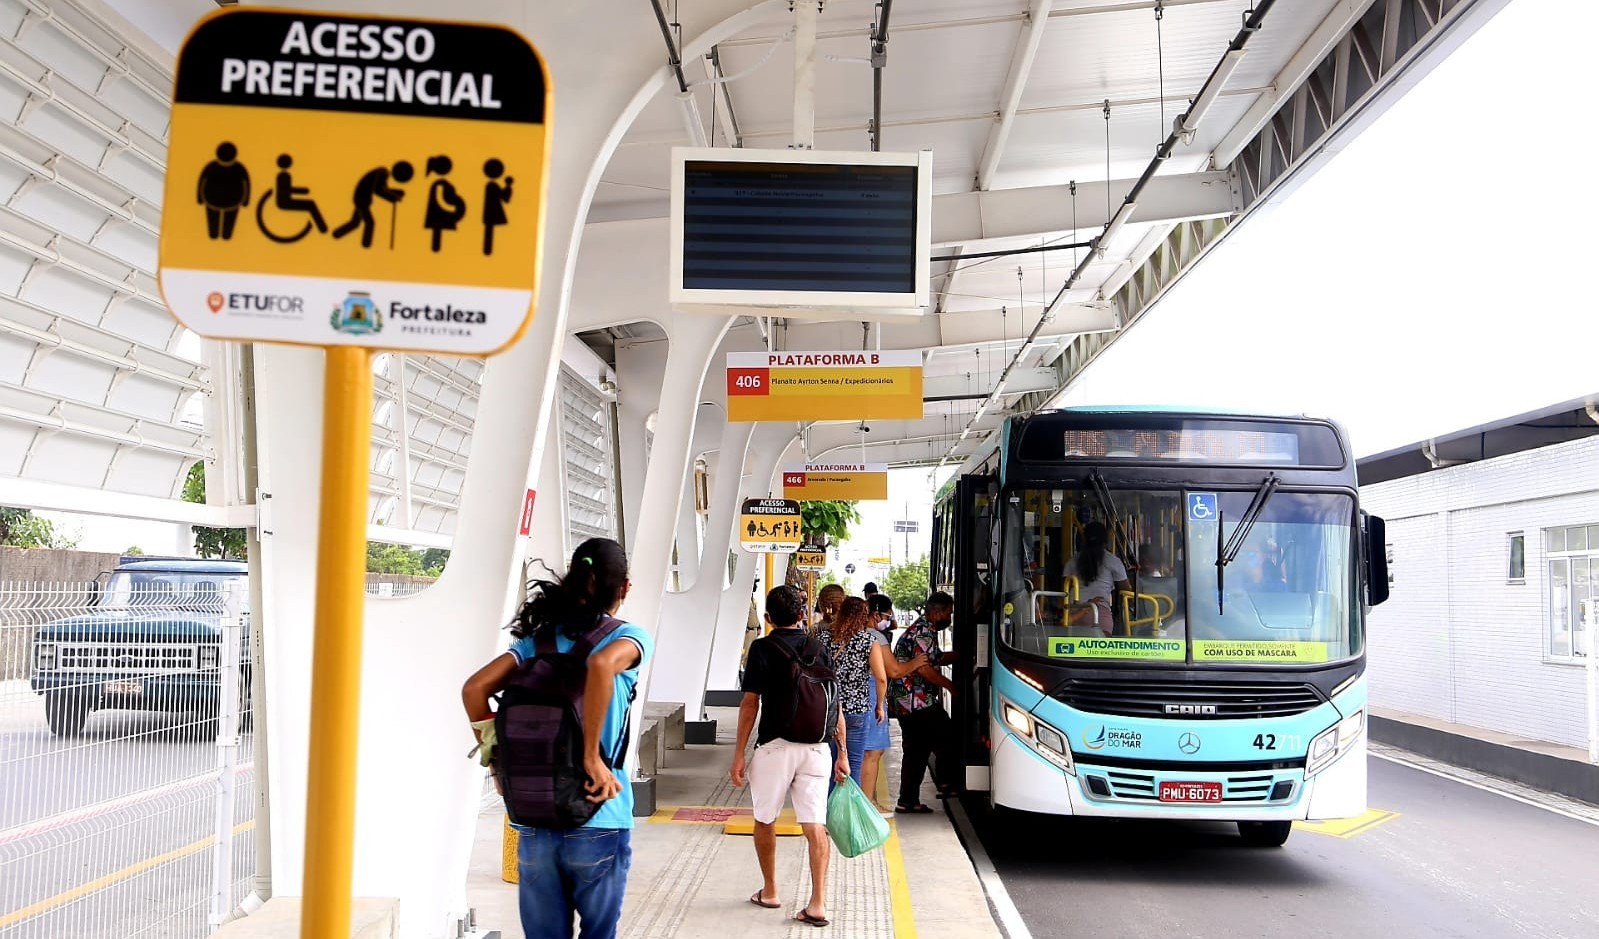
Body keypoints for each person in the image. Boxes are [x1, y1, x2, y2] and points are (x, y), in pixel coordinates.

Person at [460, 538, 650, 939]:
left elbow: (474, 690)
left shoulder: (535, 643)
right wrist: (591, 758)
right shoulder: (628, 638)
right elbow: (601, 665)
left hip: (534, 815)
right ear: (625, 588)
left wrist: (499, 764)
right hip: (601, 813)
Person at [732, 586, 849, 927]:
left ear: (767, 619)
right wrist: (842, 753)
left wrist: (739, 754)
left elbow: (750, 703)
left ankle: (770, 891)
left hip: (775, 746)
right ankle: (818, 903)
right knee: (815, 826)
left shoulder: (762, 648)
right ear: (802, 615)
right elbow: (835, 702)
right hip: (817, 747)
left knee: (765, 818)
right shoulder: (820, 647)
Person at [889, 592, 959, 813]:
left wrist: (961, 655)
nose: (949, 617)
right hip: (916, 700)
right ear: (937, 613)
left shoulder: (923, 629)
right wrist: (949, 686)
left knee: (917, 749)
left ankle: (908, 800)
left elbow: (934, 657)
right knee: (945, 737)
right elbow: (924, 668)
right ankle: (943, 785)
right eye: (948, 613)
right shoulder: (924, 632)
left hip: (907, 701)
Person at [862, 593, 925, 813]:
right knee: (873, 751)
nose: (889, 619)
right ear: (876, 614)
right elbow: (893, 671)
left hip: (849, 698)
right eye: (888, 615)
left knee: (855, 751)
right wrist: (916, 662)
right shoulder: (876, 638)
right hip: (870, 696)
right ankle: (868, 803)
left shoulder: (850, 632)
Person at [816, 597, 880, 789]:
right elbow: (881, 678)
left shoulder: (823, 638)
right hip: (857, 710)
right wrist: (880, 705)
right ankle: (849, 815)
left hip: (828, 709)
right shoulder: (868, 641)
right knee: (853, 765)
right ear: (863, 617)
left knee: (828, 767)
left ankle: (825, 815)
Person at [1064, 522, 1131, 637]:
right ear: (1105, 540)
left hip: (1073, 612)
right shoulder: (1113, 561)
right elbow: (1126, 591)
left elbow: (1065, 590)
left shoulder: (1072, 561)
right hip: (1099, 611)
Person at [332, 160, 413, 248]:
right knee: (370, 223)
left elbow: (384, 188)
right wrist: (393, 197)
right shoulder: (383, 174)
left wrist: (396, 193)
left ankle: (336, 234)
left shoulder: (381, 173)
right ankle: (366, 244)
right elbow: (378, 190)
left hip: (361, 199)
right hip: (362, 200)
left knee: (355, 223)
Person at [197, 142, 249, 240]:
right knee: (228, 220)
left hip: (214, 199)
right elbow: (246, 184)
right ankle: (225, 236)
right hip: (231, 200)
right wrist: (246, 200)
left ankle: (215, 235)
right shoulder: (239, 168)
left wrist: (200, 198)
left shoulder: (211, 166)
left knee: (214, 219)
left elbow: (202, 182)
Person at [423, 155, 466, 252]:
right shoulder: (439, 184)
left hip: (441, 214)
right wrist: (453, 210)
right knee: (437, 232)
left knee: (437, 234)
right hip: (439, 214)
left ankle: (436, 249)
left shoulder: (442, 183)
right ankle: (435, 249)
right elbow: (440, 201)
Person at [482, 157, 513, 255]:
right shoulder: (492, 186)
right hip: (493, 213)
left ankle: (487, 251)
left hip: (489, 214)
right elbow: (505, 198)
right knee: (489, 233)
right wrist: (508, 186)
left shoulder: (490, 185)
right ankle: (487, 251)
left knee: (489, 232)